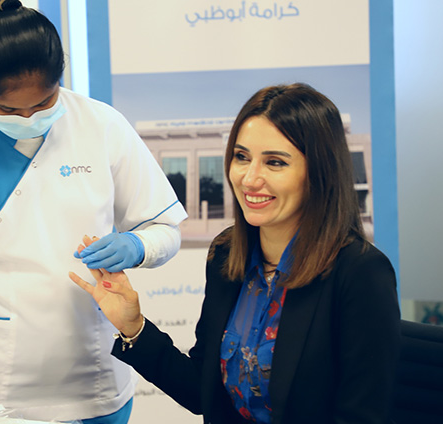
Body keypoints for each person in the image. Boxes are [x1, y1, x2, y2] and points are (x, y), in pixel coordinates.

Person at [0, 1, 187, 422]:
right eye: (8, 109)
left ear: (61, 77)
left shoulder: (103, 127)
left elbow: (165, 227)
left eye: (44, 102)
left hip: (92, 380)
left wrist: (138, 246)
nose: (28, 118)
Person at [70, 83, 401, 424]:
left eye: (275, 162)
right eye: (242, 157)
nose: (250, 178)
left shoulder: (361, 273)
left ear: (319, 172)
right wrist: (133, 326)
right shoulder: (228, 255)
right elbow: (202, 391)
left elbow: (363, 415)